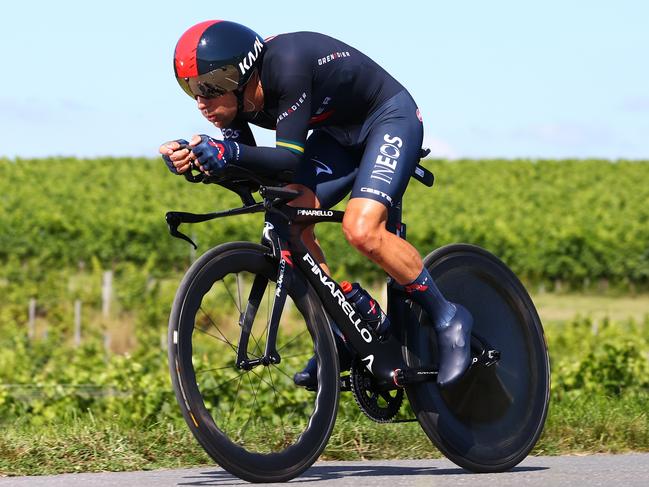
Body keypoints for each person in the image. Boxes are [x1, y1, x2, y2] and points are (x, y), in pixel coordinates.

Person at [159, 20, 473, 387]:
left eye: (208, 87)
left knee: (362, 230)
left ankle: (448, 316)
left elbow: (288, 161)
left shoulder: (287, 66)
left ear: (240, 74)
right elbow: (256, 173)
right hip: (338, 136)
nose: (201, 102)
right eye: (191, 89)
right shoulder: (237, 101)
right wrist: (201, 164)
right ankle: (344, 331)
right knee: (288, 218)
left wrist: (226, 152)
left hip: (388, 118)